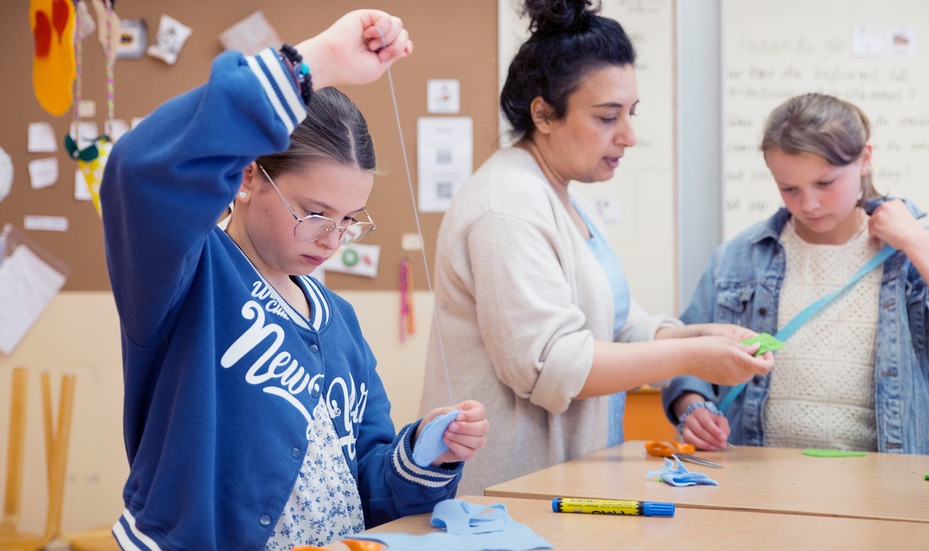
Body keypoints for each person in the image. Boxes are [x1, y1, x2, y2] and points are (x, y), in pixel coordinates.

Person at [101, 11, 488, 550]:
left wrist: (424, 452)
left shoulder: (340, 321)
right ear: (248, 175)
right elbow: (141, 170)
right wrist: (322, 61)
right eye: (314, 212)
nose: (332, 238)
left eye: (350, 220)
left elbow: (367, 485)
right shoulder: (186, 274)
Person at [418, 0, 773, 497]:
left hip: (560, 486)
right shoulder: (508, 206)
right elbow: (553, 365)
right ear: (543, 113)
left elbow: (616, 327)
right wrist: (692, 356)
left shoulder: (563, 197)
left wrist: (699, 334)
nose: (628, 136)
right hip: (506, 496)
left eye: (631, 113)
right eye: (608, 117)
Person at [662, 93, 929, 454]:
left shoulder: (910, 255)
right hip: (755, 481)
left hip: (883, 486)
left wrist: (918, 241)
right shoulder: (738, 258)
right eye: (789, 188)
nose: (808, 204)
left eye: (825, 183)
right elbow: (682, 353)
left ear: (864, 159)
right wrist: (691, 405)